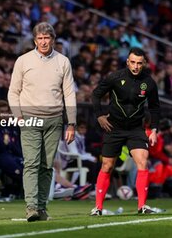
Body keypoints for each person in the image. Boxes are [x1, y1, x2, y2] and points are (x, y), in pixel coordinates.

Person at [8, 22, 77, 222]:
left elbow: (69, 94)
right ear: (35, 40)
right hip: (29, 118)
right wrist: (18, 115)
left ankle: (42, 206)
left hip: (54, 119)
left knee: (47, 166)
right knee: (31, 163)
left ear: (53, 40)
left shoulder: (63, 61)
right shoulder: (23, 60)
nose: (44, 42)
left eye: (47, 38)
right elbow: (13, 91)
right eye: (40, 38)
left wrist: (71, 123)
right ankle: (31, 208)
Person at [91, 47, 160, 215]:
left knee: (143, 162)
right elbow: (95, 94)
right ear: (127, 62)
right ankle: (98, 208)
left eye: (139, 63)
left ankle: (142, 206)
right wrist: (100, 115)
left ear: (144, 63)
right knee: (107, 166)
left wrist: (154, 130)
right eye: (133, 62)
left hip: (136, 128)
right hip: (114, 127)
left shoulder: (149, 83)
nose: (136, 66)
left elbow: (155, 107)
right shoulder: (115, 77)